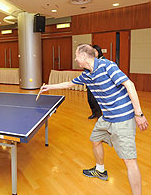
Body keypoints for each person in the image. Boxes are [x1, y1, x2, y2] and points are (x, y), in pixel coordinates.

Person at [41, 44, 148, 195]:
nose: (75, 59)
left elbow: (129, 84)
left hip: (122, 118)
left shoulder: (107, 66)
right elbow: (70, 83)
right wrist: (49, 87)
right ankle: (100, 170)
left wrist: (139, 114)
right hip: (107, 117)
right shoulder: (87, 74)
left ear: (84, 56)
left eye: (76, 56)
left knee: (129, 160)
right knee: (95, 139)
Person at [87, 45, 103, 119]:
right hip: (89, 83)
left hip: (97, 85)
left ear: (99, 52)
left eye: (95, 51)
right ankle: (94, 113)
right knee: (90, 100)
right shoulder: (90, 60)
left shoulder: (102, 60)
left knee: (95, 100)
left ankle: (99, 116)